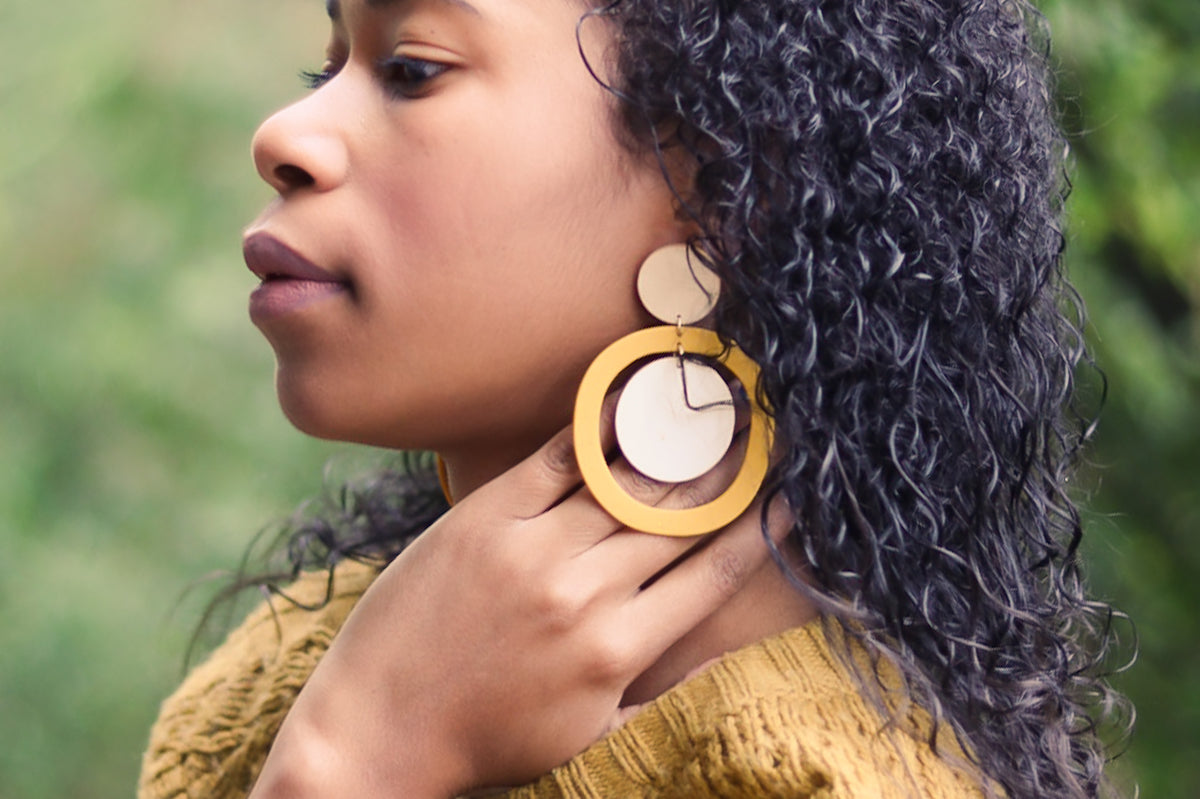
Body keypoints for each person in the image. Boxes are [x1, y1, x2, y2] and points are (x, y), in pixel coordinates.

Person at [138, 0, 1130, 797]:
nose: (287, 133)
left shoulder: (823, 779)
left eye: (412, 67)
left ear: (732, 182)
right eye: (327, 68)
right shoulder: (274, 680)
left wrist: (356, 765)